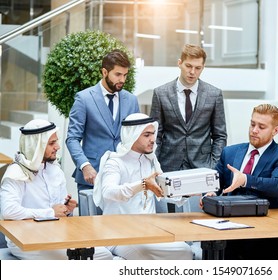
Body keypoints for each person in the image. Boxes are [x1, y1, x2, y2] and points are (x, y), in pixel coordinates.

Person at [0, 119, 112, 260]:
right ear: (37, 145)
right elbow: (9, 211)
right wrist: (50, 212)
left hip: (56, 235)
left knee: (104, 255)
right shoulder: (16, 172)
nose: (58, 147)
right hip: (26, 240)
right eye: (52, 143)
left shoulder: (55, 170)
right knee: (77, 258)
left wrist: (66, 209)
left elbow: (59, 210)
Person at [202, 104, 278, 259]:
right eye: (252, 124)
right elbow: (215, 184)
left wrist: (245, 179)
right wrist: (209, 193)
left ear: (275, 131)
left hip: (262, 236)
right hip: (226, 229)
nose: (254, 130)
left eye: (261, 127)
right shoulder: (230, 152)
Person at [93, 113, 193, 260]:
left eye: (153, 134)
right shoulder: (115, 162)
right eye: (147, 135)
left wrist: (189, 192)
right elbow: (108, 192)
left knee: (184, 249)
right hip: (118, 234)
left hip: (149, 232)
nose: (153, 139)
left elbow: (164, 191)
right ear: (132, 136)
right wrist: (143, 185)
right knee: (146, 252)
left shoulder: (151, 161)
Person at [66, 49, 140, 210]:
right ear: (104, 72)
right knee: (91, 230)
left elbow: (136, 138)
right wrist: (85, 166)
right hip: (92, 177)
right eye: (118, 74)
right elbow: (72, 138)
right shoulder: (84, 99)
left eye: (125, 75)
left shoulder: (132, 100)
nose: (122, 80)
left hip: (123, 180)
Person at [150, 44, 227, 172]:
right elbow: (156, 134)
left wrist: (214, 165)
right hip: (168, 165)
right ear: (180, 63)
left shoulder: (214, 94)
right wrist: (154, 167)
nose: (192, 72)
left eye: (198, 68)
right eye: (188, 66)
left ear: (203, 67)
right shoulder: (160, 93)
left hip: (203, 166)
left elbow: (220, 136)